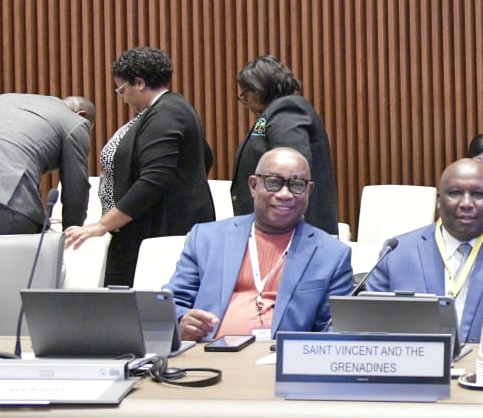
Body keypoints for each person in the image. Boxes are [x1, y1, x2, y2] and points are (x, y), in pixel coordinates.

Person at [63, 46, 215, 287]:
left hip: (159, 231)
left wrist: (102, 225)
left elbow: (153, 180)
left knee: (136, 301)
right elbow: (206, 157)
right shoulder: (172, 108)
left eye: (122, 89)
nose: (122, 98)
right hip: (153, 225)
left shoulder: (166, 114)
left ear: (140, 83)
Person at [165, 147, 352, 342]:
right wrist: (182, 322)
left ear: (309, 190)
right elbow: (172, 302)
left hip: (280, 357)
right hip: (207, 352)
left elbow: (334, 329)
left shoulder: (332, 254)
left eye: (297, 185)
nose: (285, 194)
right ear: (254, 186)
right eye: (274, 182)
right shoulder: (206, 238)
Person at [364, 158, 483, 343]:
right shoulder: (396, 253)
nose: (466, 203)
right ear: (439, 201)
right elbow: (366, 330)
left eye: (478, 194)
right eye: (455, 193)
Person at [230, 55, 339, 236]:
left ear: (258, 88)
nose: (245, 100)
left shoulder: (286, 110)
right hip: (281, 229)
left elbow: (292, 170)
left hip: (293, 234)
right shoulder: (275, 113)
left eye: (245, 93)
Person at [0, 93, 96, 234]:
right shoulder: (74, 121)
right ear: (82, 115)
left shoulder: (7, 99)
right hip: (9, 202)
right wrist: (70, 234)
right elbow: (76, 187)